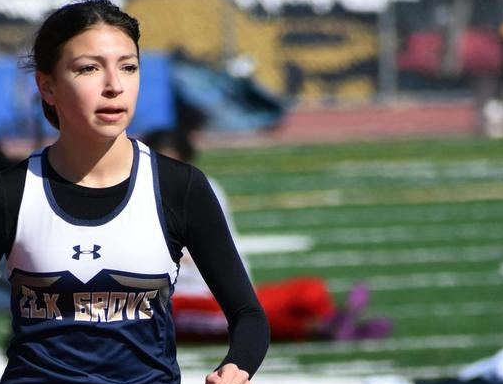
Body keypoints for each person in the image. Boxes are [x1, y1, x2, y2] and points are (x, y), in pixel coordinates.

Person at [0, 0, 269, 384]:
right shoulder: (8, 194)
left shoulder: (181, 189)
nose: (114, 85)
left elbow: (248, 316)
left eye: (128, 67)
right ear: (47, 86)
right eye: (89, 68)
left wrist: (236, 369)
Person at [141, 129, 391, 343]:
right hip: (170, 301)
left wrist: (238, 290)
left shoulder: (200, 188)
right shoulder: (137, 195)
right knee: (241, 320)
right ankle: (317, 329)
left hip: (213, 291)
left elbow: (225, 248)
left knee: (311, 291)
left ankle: (331, 321)